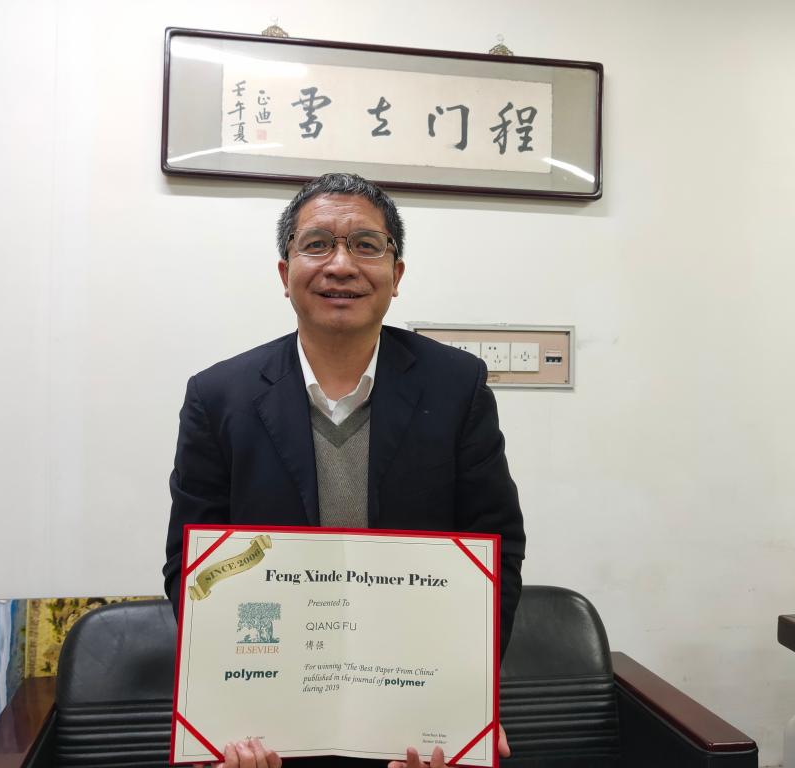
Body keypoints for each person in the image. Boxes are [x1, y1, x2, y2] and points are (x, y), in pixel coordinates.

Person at [164, 173, 525, 768]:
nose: (340, 265)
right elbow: (190, 562)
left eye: (365, 245)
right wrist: (225, 711)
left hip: (411, 721)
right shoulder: (218, 396)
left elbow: (496, 548)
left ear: (396, 275)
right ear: (285, 273)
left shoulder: (456, 386)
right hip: (273, 728)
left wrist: (468, 699)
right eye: (317, 244)